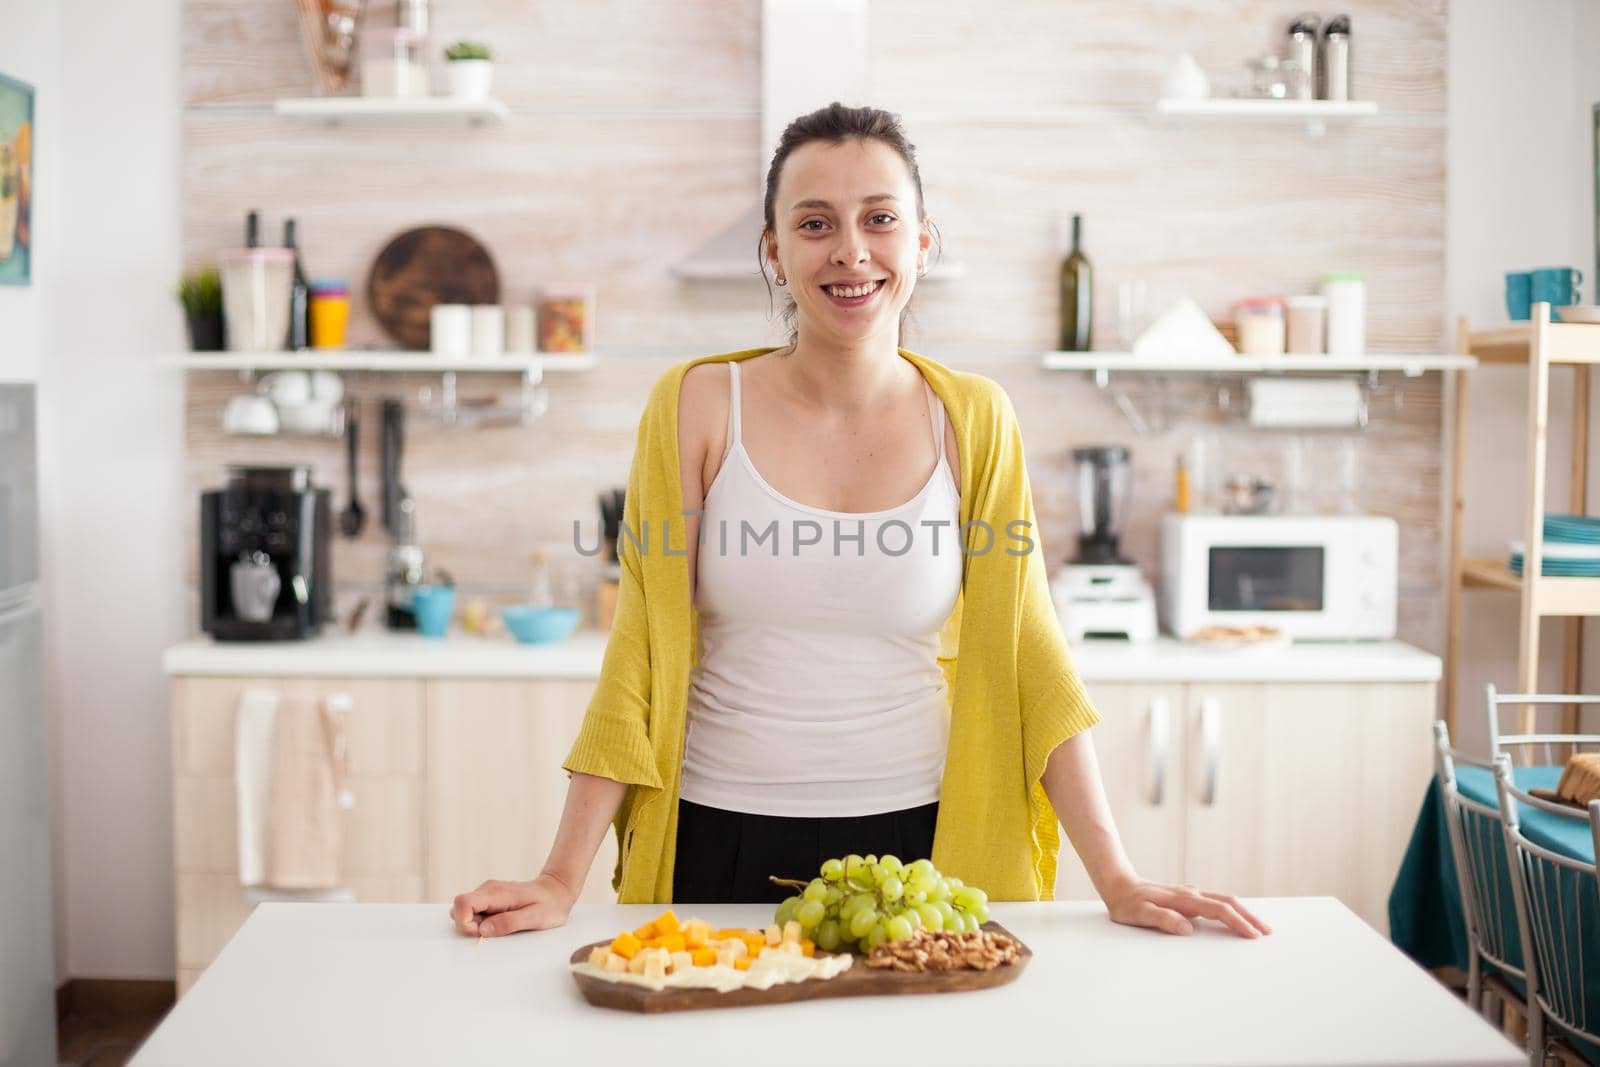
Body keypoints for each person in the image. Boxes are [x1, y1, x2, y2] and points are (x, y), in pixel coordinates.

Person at [452, 103, 1270, 942]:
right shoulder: (697, 405)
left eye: (879, 218)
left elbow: (1031, 653)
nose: (851, 251)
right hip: (717, 844)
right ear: (774, 251)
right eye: (815, 223)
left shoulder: (975, 420)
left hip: (919, 850)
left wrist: (1119, 878)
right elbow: (641, 656)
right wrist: (559, 878)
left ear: (921, 242)